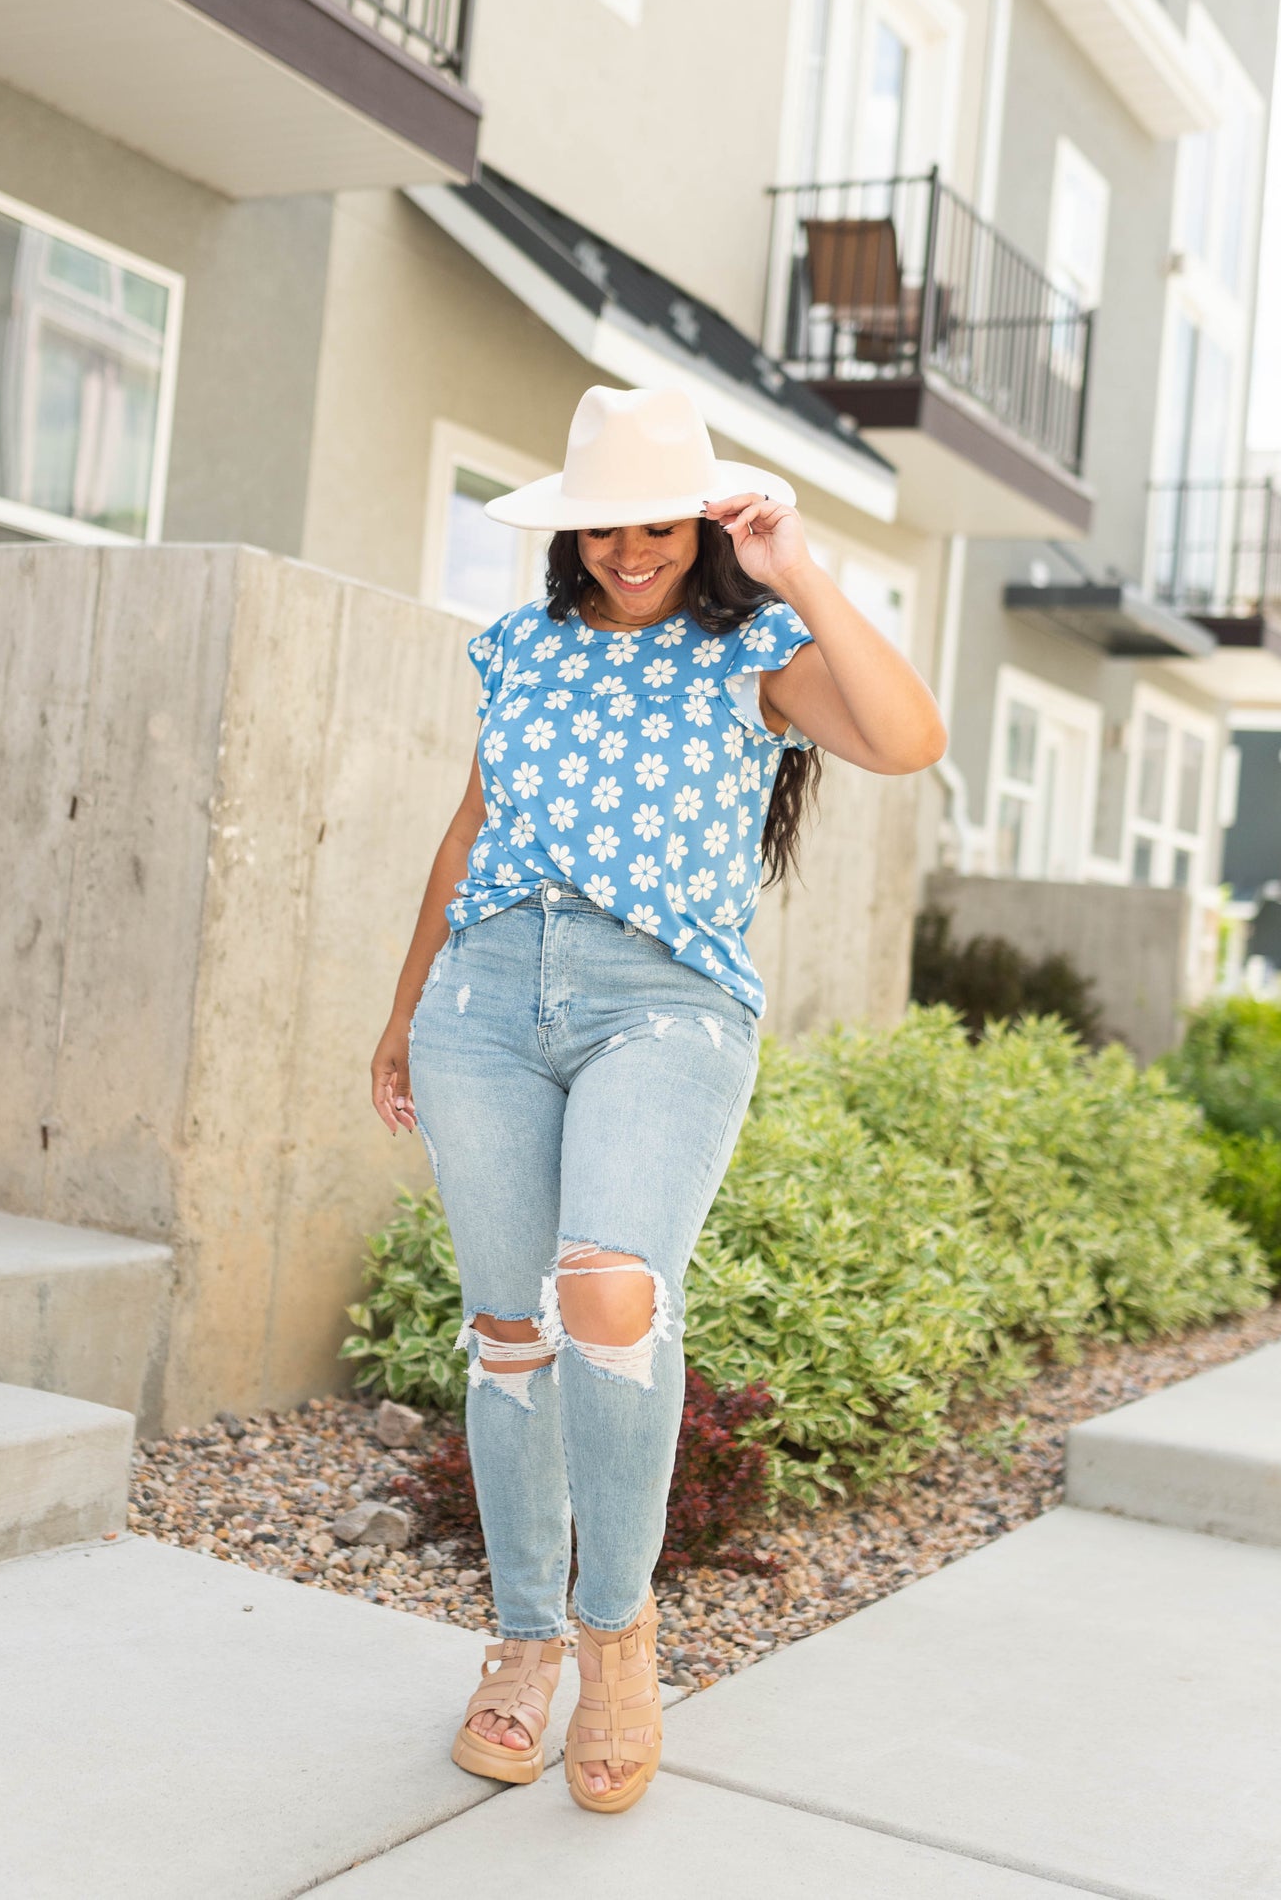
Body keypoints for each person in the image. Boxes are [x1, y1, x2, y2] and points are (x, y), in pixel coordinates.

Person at [370, 384, 945, 1813]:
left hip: (666, 1006)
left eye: (661, 524)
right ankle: (519, 1641)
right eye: (607, 526)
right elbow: (469, 830)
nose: (634, 551)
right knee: (511, 1332)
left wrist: (796, 562)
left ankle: (615, 1633)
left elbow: (910, 735)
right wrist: (401, 1012)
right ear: (572, 530)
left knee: (611, 1287)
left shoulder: (751, 649)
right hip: (486, 1003)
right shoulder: (522, 649)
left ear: (703, 522)